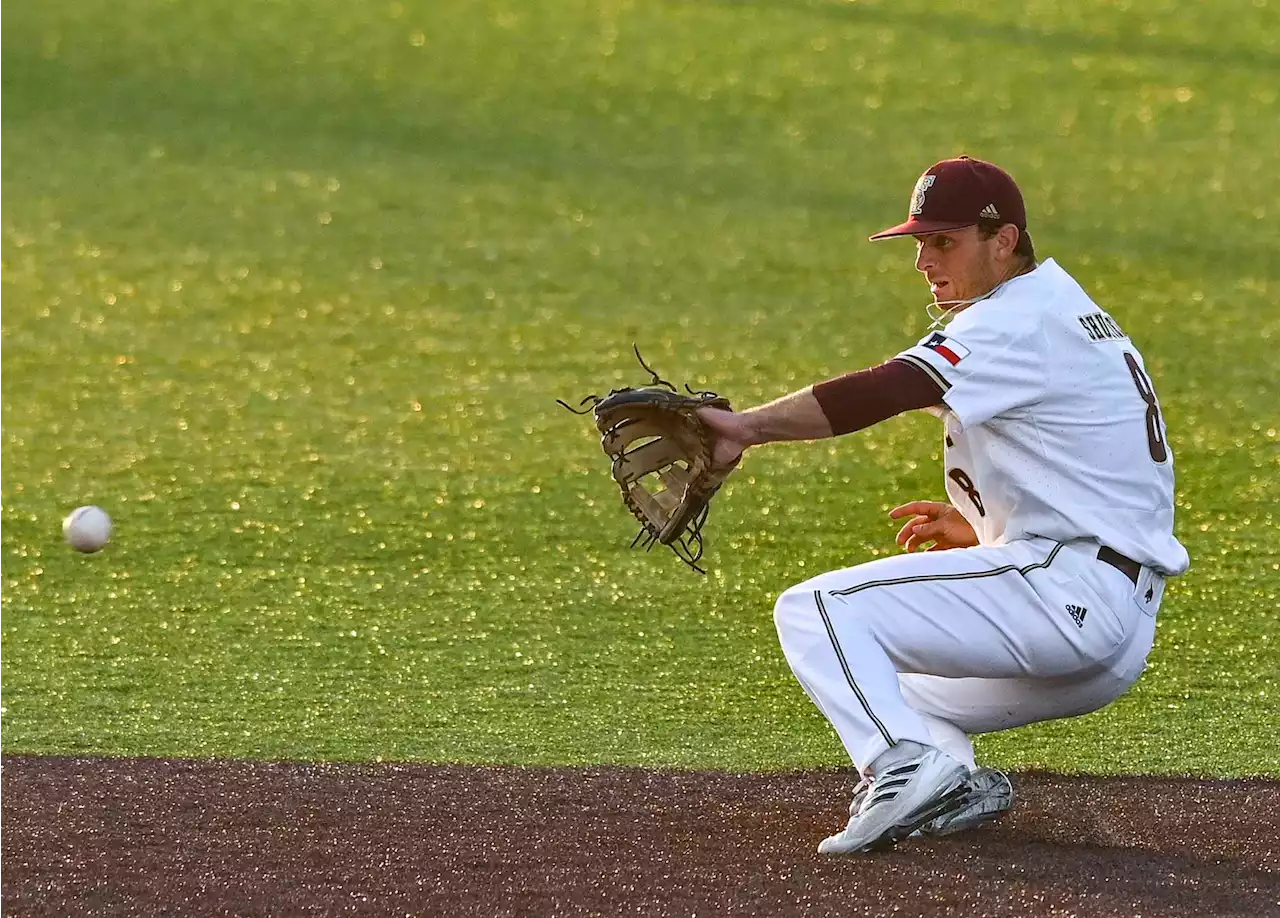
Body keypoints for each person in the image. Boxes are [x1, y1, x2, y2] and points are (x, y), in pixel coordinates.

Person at [697, 156, 1189, 855]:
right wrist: (992, 525)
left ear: (1005, 240)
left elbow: (890, 387)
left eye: (944, 241)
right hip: (1109, 618)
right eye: (920, 242)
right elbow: (1109, 456)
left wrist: (748, 427)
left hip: (1068, 595)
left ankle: (900, 767)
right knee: (897, 686)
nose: (924, 260)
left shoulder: (1018, 319)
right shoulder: (1064, 309)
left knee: (819, 611)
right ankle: (951, 781)